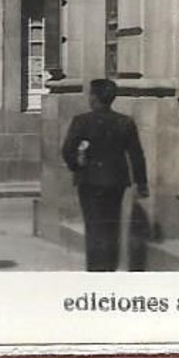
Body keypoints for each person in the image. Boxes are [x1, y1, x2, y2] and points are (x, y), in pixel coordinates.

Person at [62, 78, 150, 272]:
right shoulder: (125, 122)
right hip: (115, 182)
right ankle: (110, 267)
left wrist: (77, 165)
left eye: (91, 94)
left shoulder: (82, 121)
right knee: (111, 225)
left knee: (93, 227)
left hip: (89, 181)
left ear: (94, 98)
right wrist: (141, 183)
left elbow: (67, 150)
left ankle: (95, 270)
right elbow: (136, 154)